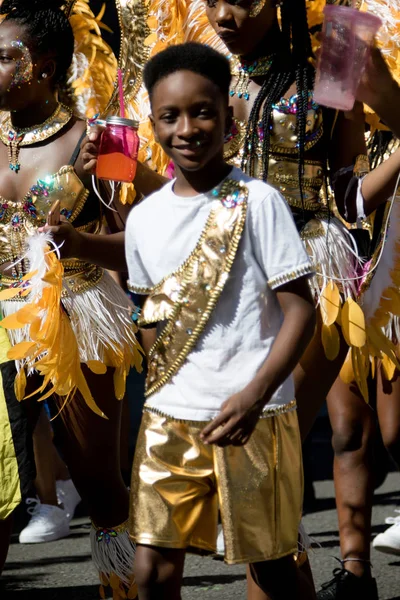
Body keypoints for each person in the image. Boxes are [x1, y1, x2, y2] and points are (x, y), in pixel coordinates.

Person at [122, 41, 316, 600]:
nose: (187, 128)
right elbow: (151, 319)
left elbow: (301, 308)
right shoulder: (143, 220)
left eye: (202, 111)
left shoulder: (259, 201)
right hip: (169, 419)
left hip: (256, 417)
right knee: (152, 572)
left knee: (273, 570)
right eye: (170, 115)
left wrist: (255, 394)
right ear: (153, 122)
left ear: (228, 117)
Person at [0, 1, 151, 596]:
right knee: (2, 487)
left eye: (3, 57)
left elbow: (135, 239)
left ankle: (128, 591)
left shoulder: (103, 136)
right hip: (3, 324)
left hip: (76, 320)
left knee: (98, 484)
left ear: (43, 63)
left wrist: (84, 198)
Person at [316, 47, 400, 599]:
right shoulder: (328, 22)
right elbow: (336, 180)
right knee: (347, 427)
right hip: (345, 246)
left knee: (394, 432)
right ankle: (354, 572)